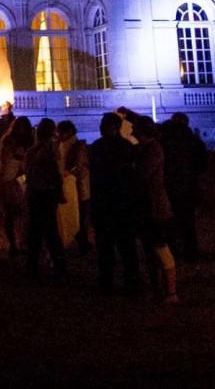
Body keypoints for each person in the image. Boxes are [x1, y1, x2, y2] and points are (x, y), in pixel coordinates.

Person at [90, 112, 142, 294]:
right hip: (118, 202)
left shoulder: (100, 147)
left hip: (112, 202)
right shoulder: (124, 146)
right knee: (122, 247)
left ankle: (112, 281)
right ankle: (128, 281)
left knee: (113, 247)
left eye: (104, 125)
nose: (101, 128)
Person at [130, 113, 179, 304]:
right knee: (151, 250)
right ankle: (159, 289)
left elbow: (141, 174)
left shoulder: (153, 150)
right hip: (149, 207)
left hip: (155, 208)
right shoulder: (147, 148)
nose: (132, 132)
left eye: (135, 129)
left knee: (160, 248)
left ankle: (171, 291)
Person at [24, 118, 67, 278]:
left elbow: (29, 172)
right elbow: (56, 173)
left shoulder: (32, 151)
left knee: (35, 230)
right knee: (50, 231)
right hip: (46, 192)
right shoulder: (51, 150)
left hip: (35, 192)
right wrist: (59, 191)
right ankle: (58, 265)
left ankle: (33, 265)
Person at [161, 112, 208, 261]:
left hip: (173, 187)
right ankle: (191, 251)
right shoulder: (194, 141)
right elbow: (202, 165)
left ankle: (176, 252)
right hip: (189, 186)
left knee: (173, 221)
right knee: (188, 222)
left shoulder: (168, 142)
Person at [0, 116, 33, 256]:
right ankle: (16, 243)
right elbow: (16, 157)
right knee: (14, 213)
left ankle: (17, 243)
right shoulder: (10, 141)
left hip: (11, 178)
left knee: (14, 214)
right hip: (10, 179)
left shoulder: (8, 140)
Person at [57, 120, 92, 254]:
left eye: (61, 132)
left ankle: (83, 243)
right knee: (78, 215)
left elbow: (79, 166)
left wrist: (67, 173)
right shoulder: (65, 145)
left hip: (77, 185)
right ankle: (82, 242)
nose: (59, 134)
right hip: (73, 185)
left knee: (80, 216)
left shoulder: (77, 146)